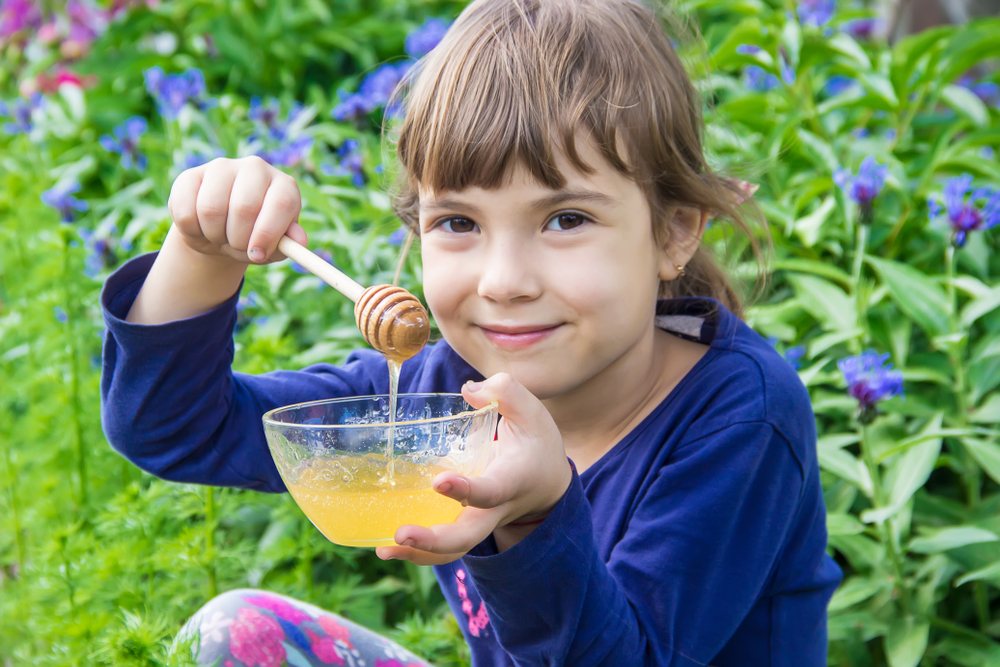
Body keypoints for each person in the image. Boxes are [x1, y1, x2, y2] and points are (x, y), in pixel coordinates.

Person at [100, 0, 843, 664]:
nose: (502, 280)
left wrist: (539, 511)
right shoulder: (437, 391)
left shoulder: (739, 416)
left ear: (673, 231)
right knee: (239, 632)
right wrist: (201, 254)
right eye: (458, 222)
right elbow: (176, 428)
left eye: (566, 219)